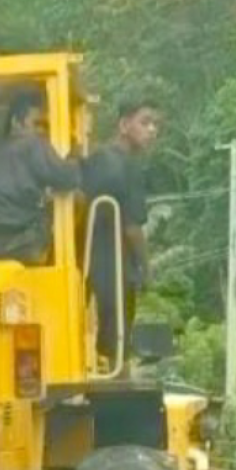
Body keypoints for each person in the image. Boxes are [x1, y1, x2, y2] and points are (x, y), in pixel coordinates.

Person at [81, 98, 161, 363]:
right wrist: (147, 270)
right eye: (145, 122)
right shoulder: (128, 167)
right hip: (115, 266)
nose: (152, 130)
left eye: (155, 124)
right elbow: (132, 228)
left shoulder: (94, 158)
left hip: (83, 262)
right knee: (117, 343)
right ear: (124, 125)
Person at [0, 91, 81, 262]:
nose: (42, 132)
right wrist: (75, 154)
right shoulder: (31, 144)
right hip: (18, 244)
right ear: (16, 122)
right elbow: (68, 178)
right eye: (37, 124)